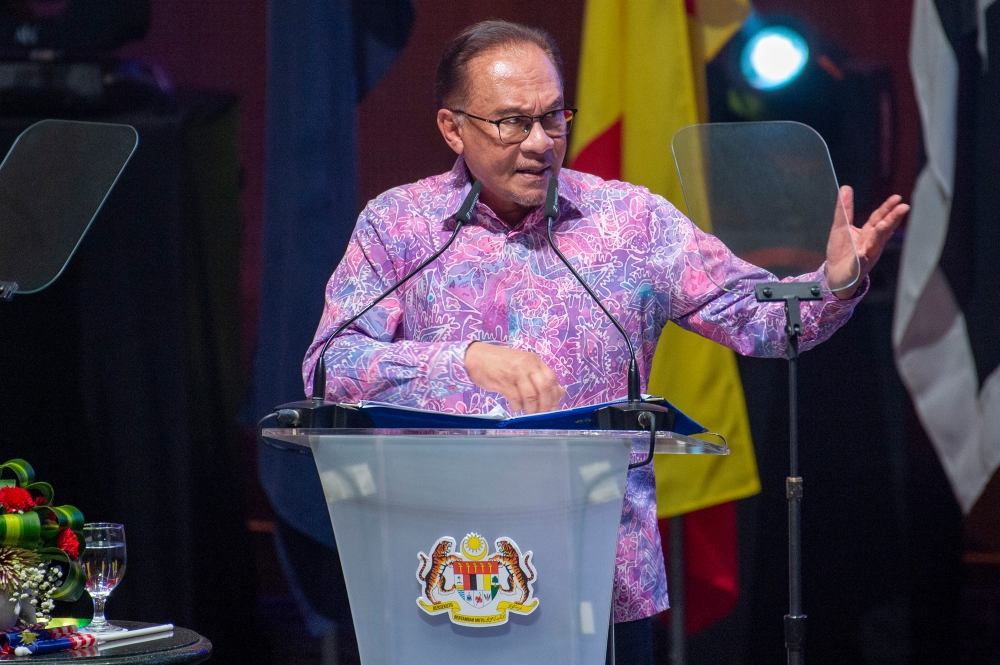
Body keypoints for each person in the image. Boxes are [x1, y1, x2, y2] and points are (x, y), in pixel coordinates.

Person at [302, 20, 909, 663]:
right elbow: (328, 366)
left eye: (553, 119)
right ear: (453, 128)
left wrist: (833, 284)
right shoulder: (399, 227)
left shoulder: (629, 222)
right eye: (512, 123)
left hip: (602, 573)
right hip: (442, 567)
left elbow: (760, 321)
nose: (540, 143)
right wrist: (463, 362)